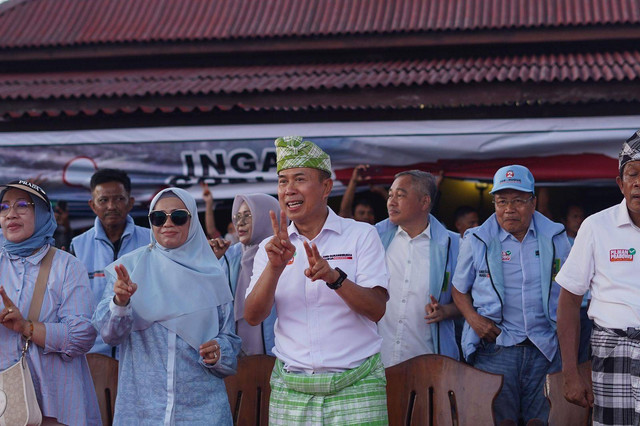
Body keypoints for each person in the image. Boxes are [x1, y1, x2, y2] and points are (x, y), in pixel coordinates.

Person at [244, 136, 390, 425]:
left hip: (357, 383)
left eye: (299, 179)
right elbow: (252, 316)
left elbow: (376, 309)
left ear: (326, 187)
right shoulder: (271, 247)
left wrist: (335, 278)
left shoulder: (361, 235)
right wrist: (274, 268)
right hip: (292, 388)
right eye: (283, 181)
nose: (289, 190)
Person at [93, 187, 241, 425]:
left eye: (179, 216)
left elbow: (231, 344)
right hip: (142, 411)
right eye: (158, 217)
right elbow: (109, 336)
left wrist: (219, 352)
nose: (167, 223)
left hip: (203, 412)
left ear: (192, 221)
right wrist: (120, 303)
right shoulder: (129, 269)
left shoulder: (213, 275)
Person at [451, 165, 571, 424]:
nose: (509, 209)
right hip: (496, 350)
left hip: (545, 348)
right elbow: (459, 289)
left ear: (533, 202)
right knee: (497, 421)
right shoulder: (477, 240)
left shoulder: (556, 238)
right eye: (502, 201)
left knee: (541, 421)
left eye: (518, 200)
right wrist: (473, 319)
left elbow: (572, 291)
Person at [0, 180, 100, 425]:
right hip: (4, 403)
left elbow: (82, 336)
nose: (11, 213)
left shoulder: (67, 266)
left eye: (22, 205)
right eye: (3, 207)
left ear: (44, 213)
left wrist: (27, 328)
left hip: (54, 403)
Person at [556, 130, 640, 425]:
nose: (639, 182)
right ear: (620, 183)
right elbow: (568, 301)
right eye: (632, 173)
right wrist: (570, 374)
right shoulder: (596, 227)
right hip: (611, 352)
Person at [376, 170, 460, 366]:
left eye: (400, 195)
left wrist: (446, 311)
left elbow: (471, 300)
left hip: (427, 361)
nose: (391, 201)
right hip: (377, 363)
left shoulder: (453, 245)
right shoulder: (374, 238)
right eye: (390, 195)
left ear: (424, 202)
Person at [70, 168, 149, 356]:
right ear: (92, 205)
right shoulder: (78, 245)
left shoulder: (151, 241)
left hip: (139, 354)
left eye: (119, 199)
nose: (111, 206)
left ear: (130, 203)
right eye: (103, 200)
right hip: (93, 355)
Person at [212, 193, 280, 356]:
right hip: (238, 359)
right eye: (237, 217)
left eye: (248, 216)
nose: (240, 223)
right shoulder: (229, 257)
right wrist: (211, 262)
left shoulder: (285, 254)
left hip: (281, 356)